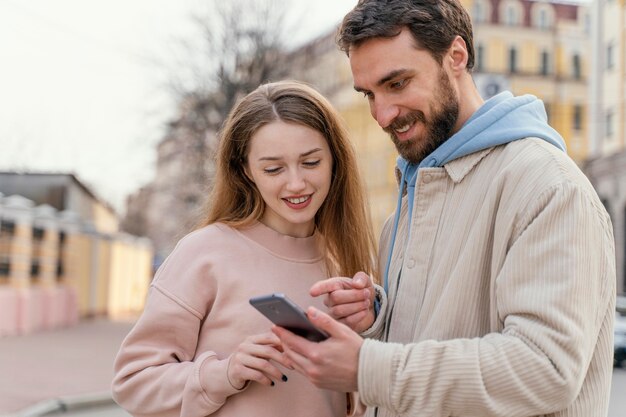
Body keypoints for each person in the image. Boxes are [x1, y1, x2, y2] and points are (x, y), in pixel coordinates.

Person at [272, 1, 617, 416]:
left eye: (397, 84)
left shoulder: (547, 186)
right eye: (369, 94)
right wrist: (375, 319)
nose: (382, 115)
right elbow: (436, 344)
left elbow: (545, 369)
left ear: (456, 57)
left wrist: (368, 367)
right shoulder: (410, 200)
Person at [111, 80, 376, 417]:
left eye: (311, 163)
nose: (296, 183)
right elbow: (133, 383)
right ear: (245, 171)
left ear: (335, 161)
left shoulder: (350, 263)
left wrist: (370, 329)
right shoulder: (205, 252)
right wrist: (225, 373)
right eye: (273, 168)